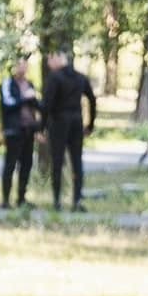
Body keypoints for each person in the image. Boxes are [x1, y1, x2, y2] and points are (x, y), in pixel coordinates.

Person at [42, 51, 97, 211]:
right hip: (76, 123)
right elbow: (92, 99)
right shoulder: (80, 77)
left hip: (58, 124)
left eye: (50, 59)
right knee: (77, 162)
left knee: (57, 162)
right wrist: (90, 124)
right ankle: (77, 200)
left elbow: (47, 104)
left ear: (59, 58)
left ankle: (57, 201)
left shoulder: (54, 77)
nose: (48, 63)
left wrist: (41, 127)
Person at [0, 58, 42, 208]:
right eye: (20, 65)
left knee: (27, 165)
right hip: (14, 130)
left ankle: (21, 198)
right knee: (10, 165)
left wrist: (39, 128)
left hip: (28, 131)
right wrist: (25, 98)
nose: (23, 69)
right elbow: (8, 104)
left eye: (25, 66)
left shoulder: (30, 85)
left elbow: (35, 107)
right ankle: (5, 200)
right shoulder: (7, 84)